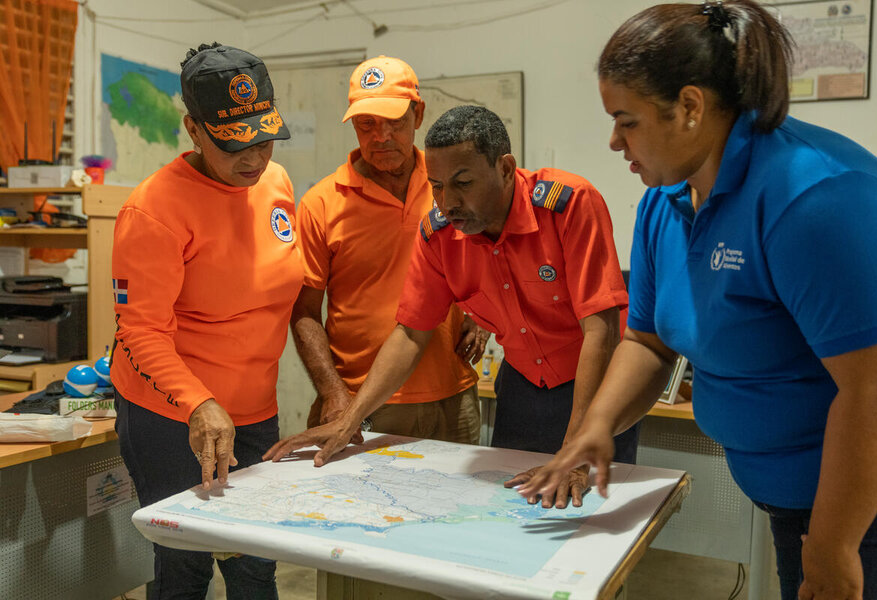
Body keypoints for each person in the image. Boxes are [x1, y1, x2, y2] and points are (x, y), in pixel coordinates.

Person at [518, 2, 877, 599]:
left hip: (871, 501)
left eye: (627, 120)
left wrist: (833, 544)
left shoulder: (816, 197)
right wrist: (596, 428)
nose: (613, 141)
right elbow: (647, 341)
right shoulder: (663, 202)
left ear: (691, 107)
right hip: (795, 498)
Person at [266, 105, 636, 509]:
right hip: (525, 383)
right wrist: (347, 421)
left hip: (597, 382)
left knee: (591, 516)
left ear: (506, 168)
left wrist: (576, 452)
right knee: (513, 511)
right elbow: (410, 333)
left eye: (463, 183)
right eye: (437, 186)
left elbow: (600, 329)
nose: (447, 202)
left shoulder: (568, 205)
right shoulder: (439, 235)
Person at [111, 43, 299, 599]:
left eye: (264, 140)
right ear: (194, 130)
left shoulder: (277, 184)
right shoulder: (154, 211)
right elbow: (139, 330)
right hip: (172, 417)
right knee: (185, 564)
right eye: (233, 144)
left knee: (256, 561)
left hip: (255, 409)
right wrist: (198, 402)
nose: (254, 159)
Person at [294, 56, 482, 446]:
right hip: (365, 401)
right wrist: (332, 391)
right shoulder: (321, 203)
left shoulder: (449, 183)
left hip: (454, 390)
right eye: (366, 125)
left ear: (418, 113)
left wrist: (484, 316)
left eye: (394, 122)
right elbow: (304, 312)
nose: (380, 137)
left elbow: (488, 253)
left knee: (460, 505)